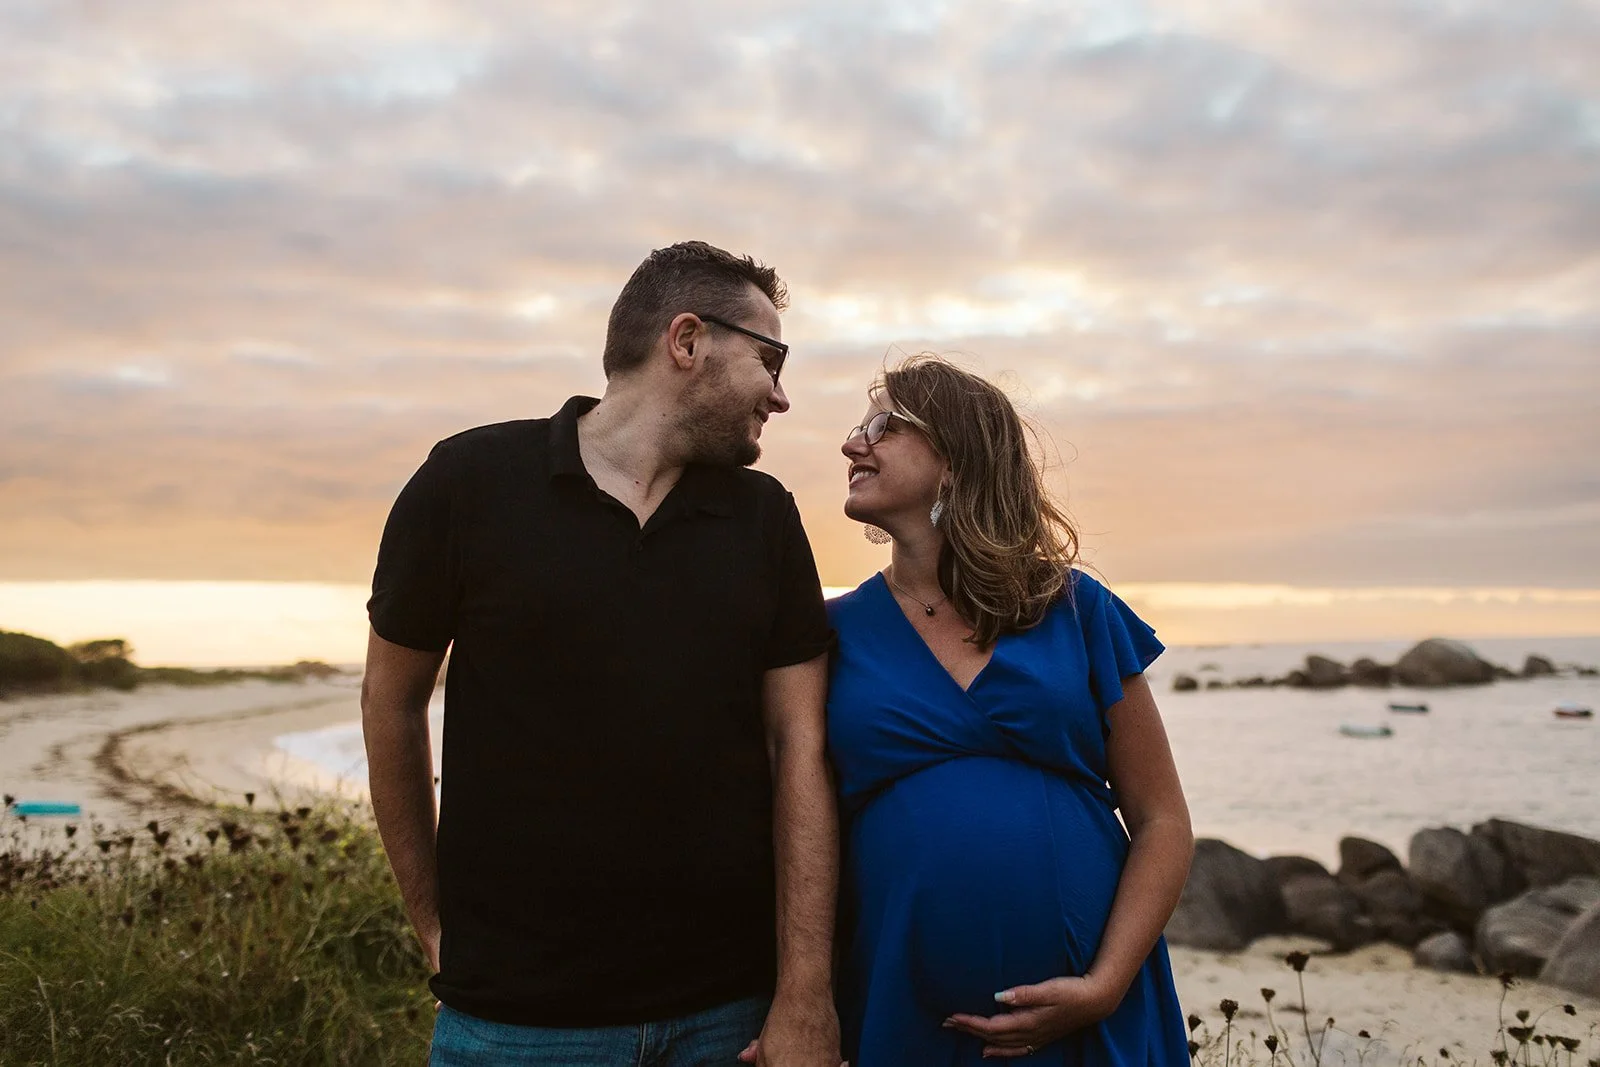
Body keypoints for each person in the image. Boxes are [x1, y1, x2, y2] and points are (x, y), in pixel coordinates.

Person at [362, 241, 842, 1066]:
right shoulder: (468, 482)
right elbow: (391, 701)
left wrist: (804, 991)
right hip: (514, 1023)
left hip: (728, 1017)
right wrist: (432, 922)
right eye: (770, 359)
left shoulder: (764, 518)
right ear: (687, 340)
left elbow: (797, 745)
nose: (781, 394)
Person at [826, 355, 1192, 1065]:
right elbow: (797, 829)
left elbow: (1162, 820)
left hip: (1088, 1012)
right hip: (898, 1000)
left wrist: (1105, 985)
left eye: (884, 426)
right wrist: (799, 1000)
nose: (852, 444)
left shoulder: (1075, 608)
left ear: (956, 459)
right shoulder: (830, 634)